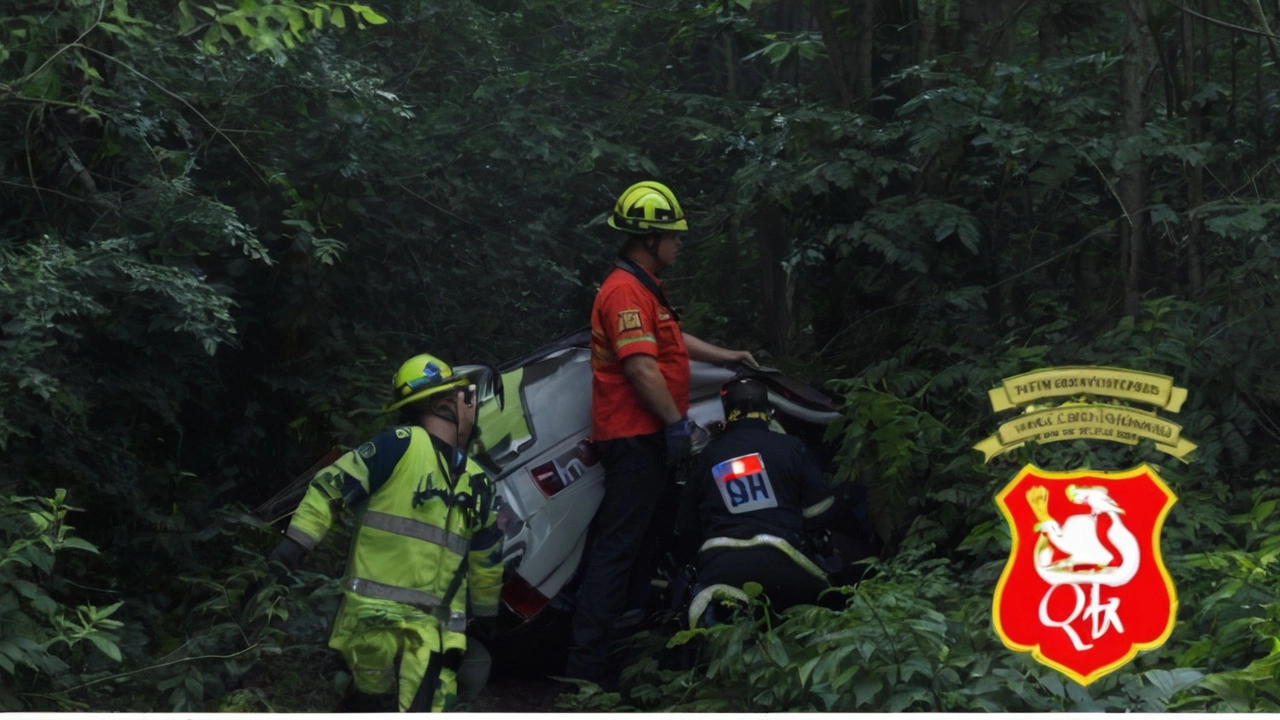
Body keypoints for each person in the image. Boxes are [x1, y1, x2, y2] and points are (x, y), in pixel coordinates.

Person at [564, 180, 759, 686]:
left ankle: (619, 657)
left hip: (644, 438)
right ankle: (586, 670)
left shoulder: (644, 286)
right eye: (672, 236)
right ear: (648, 239)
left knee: (643, 546)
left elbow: (672, 340)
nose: (678, 244)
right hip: (633, 438)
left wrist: (726, 355)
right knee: (618, 549)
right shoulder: (625, 290)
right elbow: (641, 368)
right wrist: (674, 424)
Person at [265, 353, 503, 713]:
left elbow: (487, 554)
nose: (473, 405)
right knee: (371, 695)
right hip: (376, 614)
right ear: (443, 404)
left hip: (430, 623)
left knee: (424, 702)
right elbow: (334, 488)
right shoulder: (400, 445)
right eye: (465, 395)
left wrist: (485, 614)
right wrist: (294, 546)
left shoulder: (477, 480)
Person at [677, 376, 836, 627]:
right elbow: (820, 510)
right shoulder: (791, 447)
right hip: (789, 561)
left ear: (728, 412)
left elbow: (687, 527)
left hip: (721, 569)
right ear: (768, 411)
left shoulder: (709, 456)